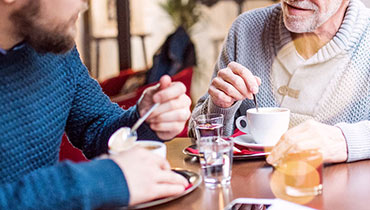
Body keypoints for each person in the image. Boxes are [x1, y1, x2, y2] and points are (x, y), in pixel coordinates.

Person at [0, 0, 192, 209]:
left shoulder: (54, 48)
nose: (85, 4)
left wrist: (146, 119)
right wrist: (104, 181)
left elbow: (97, 127)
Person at [192, 0, 369, 165]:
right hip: (253, 190)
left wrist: (344, 140)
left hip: (341, 193)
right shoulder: (245, 29)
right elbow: (196, 134)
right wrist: (219, 106)